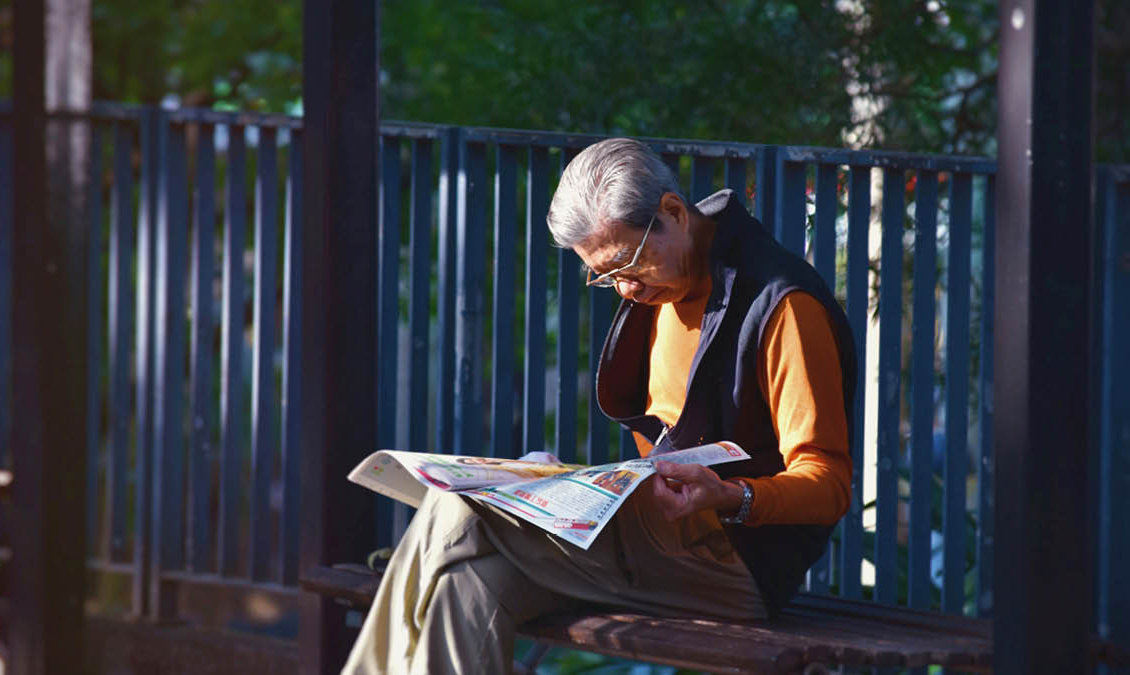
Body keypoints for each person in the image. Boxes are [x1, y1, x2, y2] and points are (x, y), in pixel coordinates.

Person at [343, 138, 857, 674]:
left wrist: (730, 495)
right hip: (650, 545)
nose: (625, 289)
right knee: (467, 582)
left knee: (456, 507)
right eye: (604, 276)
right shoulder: (660, 285)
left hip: (734, 564)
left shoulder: (783, 306)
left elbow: (829, 485)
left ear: (674, 213)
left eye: (627, 265)